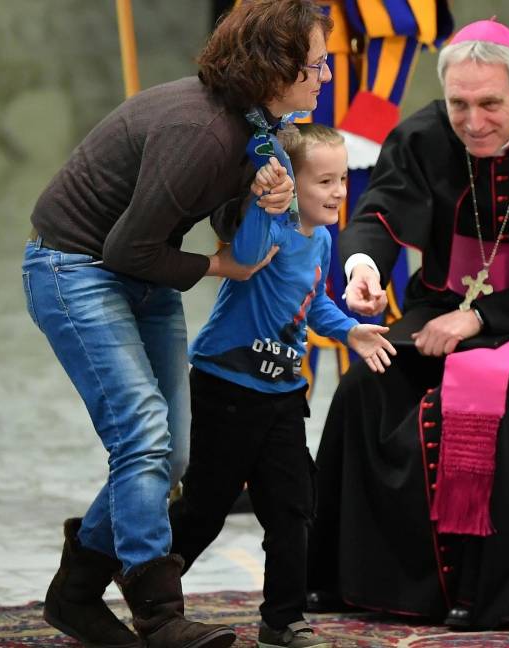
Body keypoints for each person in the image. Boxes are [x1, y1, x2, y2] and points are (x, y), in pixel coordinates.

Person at [305, 18, 509, 630]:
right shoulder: (423, 135)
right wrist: (362, 268)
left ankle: (488, 591)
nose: (472, 121)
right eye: (458, 104)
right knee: (363, 389)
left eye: (489, 103)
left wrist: (483, 315)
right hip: (443, 313)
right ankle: (350, 579)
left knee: (498, 405)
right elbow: (378, 216)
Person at [22, 2, 331, 646]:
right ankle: (159, 615)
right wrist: (219, 264)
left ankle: (76, 593)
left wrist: (258, 202)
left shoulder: (258, 123)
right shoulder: (203, 129)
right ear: (275, 68)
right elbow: (124, 248)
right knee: (142, 433)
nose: (324, 76)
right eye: (315, 65)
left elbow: (213, 208)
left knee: (173, 453)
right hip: (76, 266)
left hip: (142, 264)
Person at [169, 124, 395, 648]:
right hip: (227, 387)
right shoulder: (269, 229)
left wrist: (350, 331)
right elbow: (246, 256)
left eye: (342, 179)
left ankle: (282, 619)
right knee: (205, 506)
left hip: (283, 395)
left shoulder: (321, 240)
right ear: (291, 185)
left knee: (293, 507)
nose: (338, 191)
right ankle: (148, 588)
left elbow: (314, 305)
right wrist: (266, 196)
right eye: (324, 181)